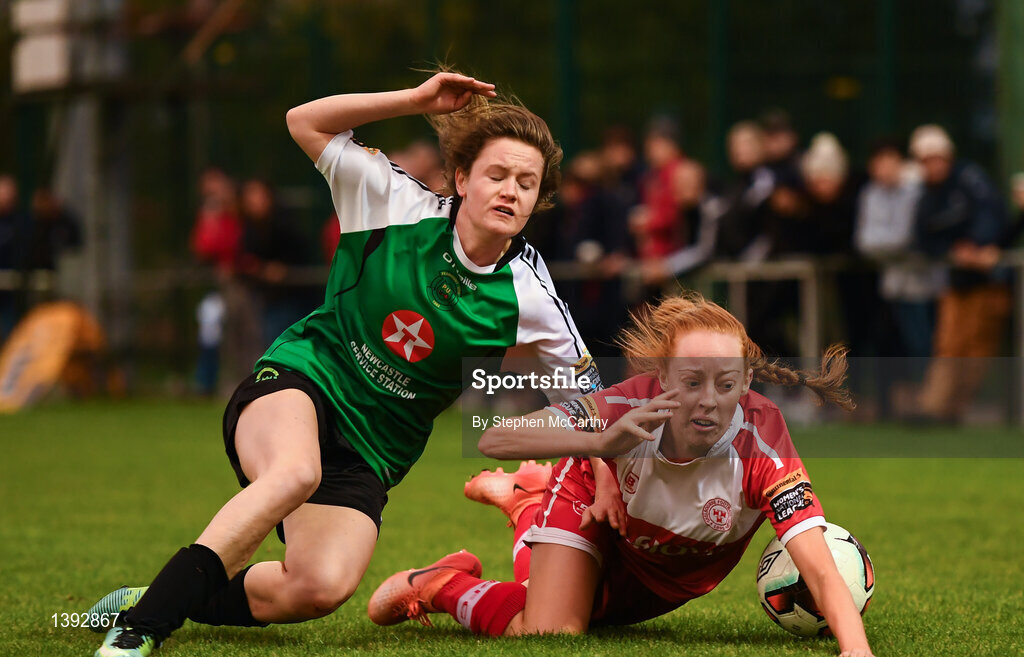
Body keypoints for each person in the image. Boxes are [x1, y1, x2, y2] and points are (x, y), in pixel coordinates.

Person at [88, 71, 604, 657]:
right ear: (462, 178)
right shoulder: (393, 201)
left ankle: (155, 595)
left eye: (528, 183)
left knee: (318, 587)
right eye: (497, 175)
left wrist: (604, 472)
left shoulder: (529, 292)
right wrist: (412, 101)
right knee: (295, 473)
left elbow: (589, 399)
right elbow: (302, 121)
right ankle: (141, 631)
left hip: (374, 451)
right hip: (303, 381)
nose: (511, 191)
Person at [368, 293, 875, 657]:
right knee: (551, 633)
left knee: (589, 611)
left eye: (725, 383)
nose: (707, 400)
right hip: (593, 496)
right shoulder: (624, 403)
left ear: (745, 381)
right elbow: (493, 438)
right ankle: (438, 586)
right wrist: (601, 446)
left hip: (663, 569)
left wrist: (855, 651)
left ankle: (526, 504)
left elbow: (821, 564)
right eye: (691, 381)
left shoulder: (764, 443)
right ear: (662, 377)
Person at [910, 125, 1011, 423]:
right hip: (956, 281)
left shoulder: (970, 178)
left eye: (937, 157)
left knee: (978, 347)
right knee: (949, 344)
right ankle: (934, 408)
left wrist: (979, 247)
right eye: (926, 160)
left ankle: (955, 408)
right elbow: (923, 240)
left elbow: (992, 215)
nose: (933, 165)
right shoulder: (926, 198)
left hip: (990, 280)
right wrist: (955, 252)